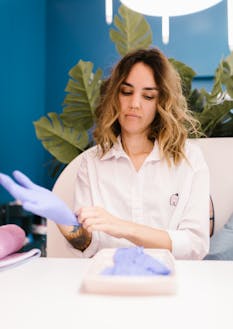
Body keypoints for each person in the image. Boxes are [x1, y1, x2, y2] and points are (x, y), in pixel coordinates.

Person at [0, 48, 210, 259]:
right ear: (114, 95)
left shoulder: (189, 160)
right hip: (107, 280)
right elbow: (88, 246)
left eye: (148, 96)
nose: (134, 104)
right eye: (126, 92)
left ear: (161, 102)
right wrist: (65, 222)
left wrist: (122, 227)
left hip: (173, 284)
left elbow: (195, 245)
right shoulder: (91, 163)